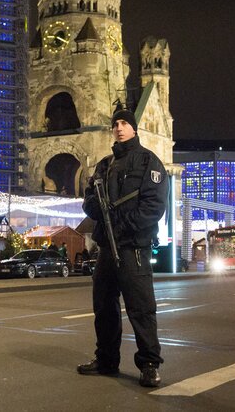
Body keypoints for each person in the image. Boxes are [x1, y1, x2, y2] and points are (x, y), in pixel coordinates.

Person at [78, 108, 167, 388]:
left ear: (134, 128)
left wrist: (121, 224)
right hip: (107, 248)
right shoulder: (105, 165)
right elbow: (89, 196)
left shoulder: (148, 162)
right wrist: (95, 208)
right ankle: (106, 360)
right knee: (104, 306)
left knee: (141, 309)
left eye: (124, 123)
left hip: (133, 247)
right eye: (115, 123)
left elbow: (153, 207)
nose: (119, 127)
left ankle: (150, 364)